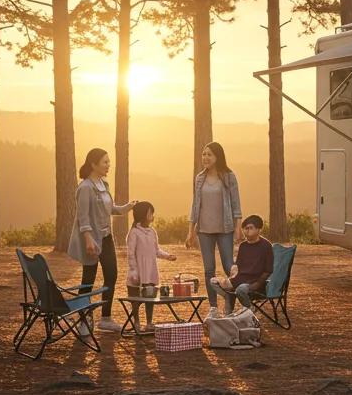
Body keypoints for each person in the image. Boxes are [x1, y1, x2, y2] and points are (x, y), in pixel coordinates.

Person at [67, 147, 136, 332]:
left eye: (109, 162)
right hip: (92, 240)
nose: (108, 165)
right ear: (93, 164)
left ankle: (105, 319)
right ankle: (83, 321)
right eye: (105, 162)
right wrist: (89, 240)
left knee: (111, 275)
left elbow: (109, 208)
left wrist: (126, 208)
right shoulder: (85, 187)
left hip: (106, 237)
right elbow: (83, 217)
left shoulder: (103, 185)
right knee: (88, 280)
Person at [186, 142, 241, 316]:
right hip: (204, 230)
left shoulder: (229, 176)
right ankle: (213, 307)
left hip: (225, 229)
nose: (205, 158)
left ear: (218, 157)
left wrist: (238, 227)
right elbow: (195, 205)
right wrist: (191, 230)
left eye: (209, 154)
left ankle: (230, 299)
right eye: (204, 154)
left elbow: (236, 204)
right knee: (209, 269)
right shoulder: (199, 178)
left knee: (228, 266)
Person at [126, 201, 176, 333]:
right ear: (143, 215)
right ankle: (136, 322)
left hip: (150, 271)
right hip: (137, 272)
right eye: (150, 213)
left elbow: (156, 251)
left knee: (150, 299)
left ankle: (149, 323)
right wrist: (134, 271)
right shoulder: (134, 233)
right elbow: (131, 254)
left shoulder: (152, 232)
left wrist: (167, 256)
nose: (152, 215)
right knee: (135, 300)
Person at [210, 215, 274, 314]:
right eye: (245, 228)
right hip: (239, 279)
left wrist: (257, 284)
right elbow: (238, 265)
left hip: (254, 282)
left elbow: (268, 270)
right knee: (213, 281)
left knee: (240, 289)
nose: (247, 231)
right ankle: (228, 296)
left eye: (250, 228)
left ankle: (249, 310)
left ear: (258, 229)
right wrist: (233, 270)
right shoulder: (243, 246)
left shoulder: (266, 246)